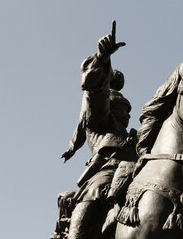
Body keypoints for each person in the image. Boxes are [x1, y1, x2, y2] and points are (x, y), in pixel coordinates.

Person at [52, 21, 137, 239]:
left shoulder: (127, 134)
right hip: (105, 174)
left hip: (135, 170)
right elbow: (95, 92)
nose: (128, 114)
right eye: (123, 108)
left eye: (129, 109)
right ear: (111, 106)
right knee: (86, 213)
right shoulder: (99, 120)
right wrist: (101, 58)